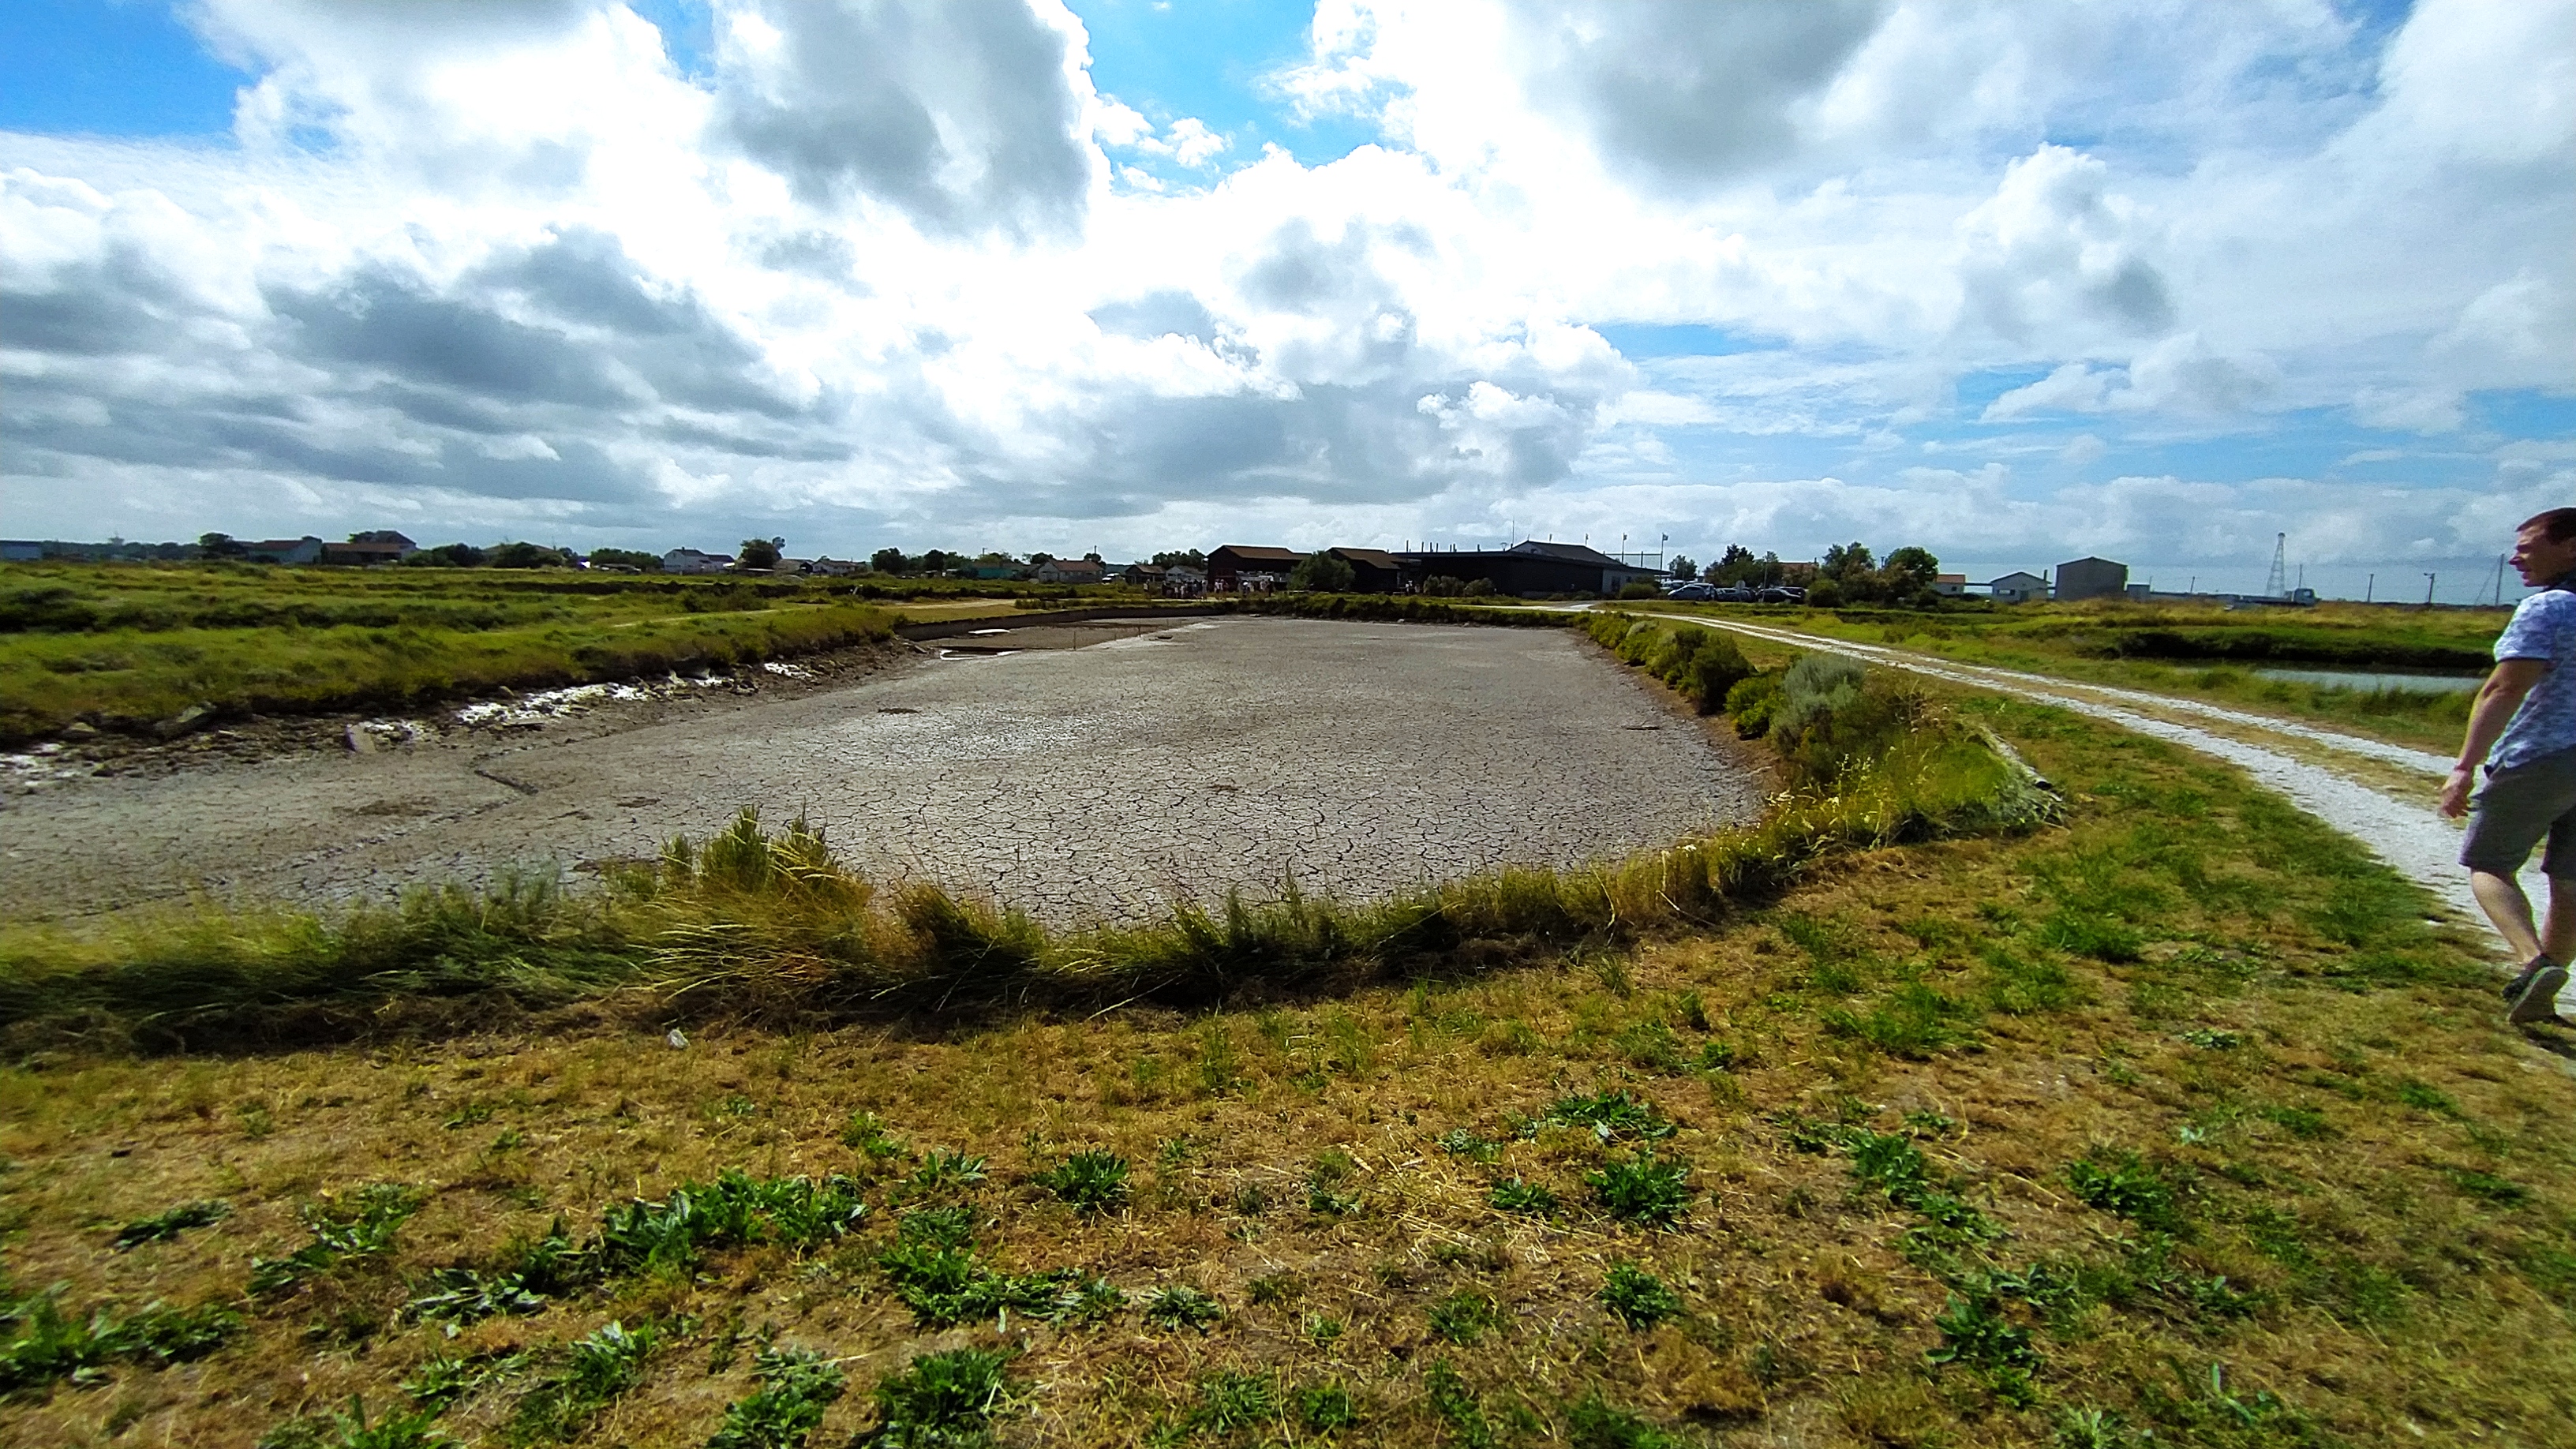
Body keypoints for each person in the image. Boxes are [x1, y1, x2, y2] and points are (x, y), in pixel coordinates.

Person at [2441, 507, 2576, 1024]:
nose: (2517, 556)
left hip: (2543, 755)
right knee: (2571, 880)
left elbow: (2505, 687)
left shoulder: (2549, 609)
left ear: (2571, 548)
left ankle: (2533, 962)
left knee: (2490, 864)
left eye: (2528, 544)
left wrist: (2464, 766)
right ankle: (2542, 989)